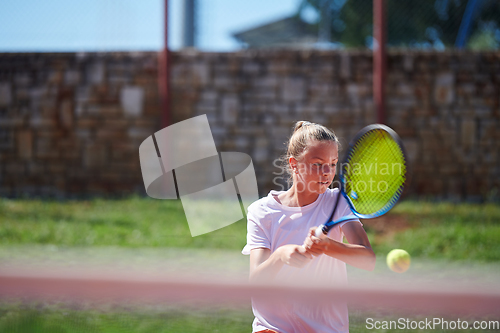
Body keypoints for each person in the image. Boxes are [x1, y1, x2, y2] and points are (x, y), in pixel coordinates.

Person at [242, 121, 376, 333]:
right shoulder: (261, 212)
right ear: (294, 164)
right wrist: (280, 256)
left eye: (332, 164)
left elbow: (368, 260)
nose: (327, 172)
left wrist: (327, 246)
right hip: (273, 328)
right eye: (317, 164)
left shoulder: (339, 201)